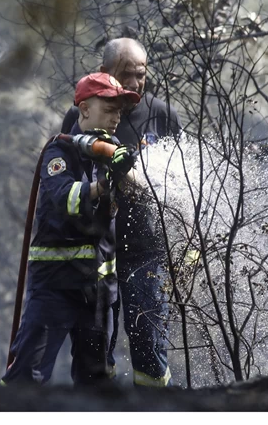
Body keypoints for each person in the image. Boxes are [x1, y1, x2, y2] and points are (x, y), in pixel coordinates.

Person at [0, 72, 139, 387]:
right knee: (26, 378)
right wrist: (103, 185)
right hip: (55, 286)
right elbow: (66, 199)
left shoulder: (114, 151)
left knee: (97, 384)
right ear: (85, 108)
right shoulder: (58, 151)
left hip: (99, 293)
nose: (117, 116)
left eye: (120, 110)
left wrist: (129, 181)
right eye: (110, 108)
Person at [62, 38, 182, 387]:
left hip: (148, 253)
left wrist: (187, 252)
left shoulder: (163, 115)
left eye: (140, 74)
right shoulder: (80, 115)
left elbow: (186, 186)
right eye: (124, 74)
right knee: (92, 351)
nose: (133, 83)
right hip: (95, 252)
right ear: (104, 73)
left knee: (149, 345)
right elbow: (62, 182)